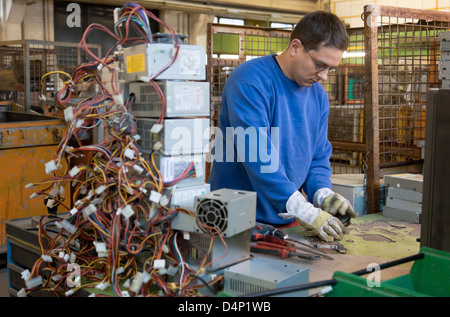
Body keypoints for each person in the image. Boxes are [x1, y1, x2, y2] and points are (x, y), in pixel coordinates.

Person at [208, 11, 357, 242]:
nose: (325, 77)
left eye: (331, 68)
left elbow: (317, 157)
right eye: (320, 64)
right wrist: (304, 209)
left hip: (285, 218)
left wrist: (322, 193)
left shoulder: (318, 95)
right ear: (295, 47)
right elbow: (258, 158)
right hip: (236, 220)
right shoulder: (249, 81)